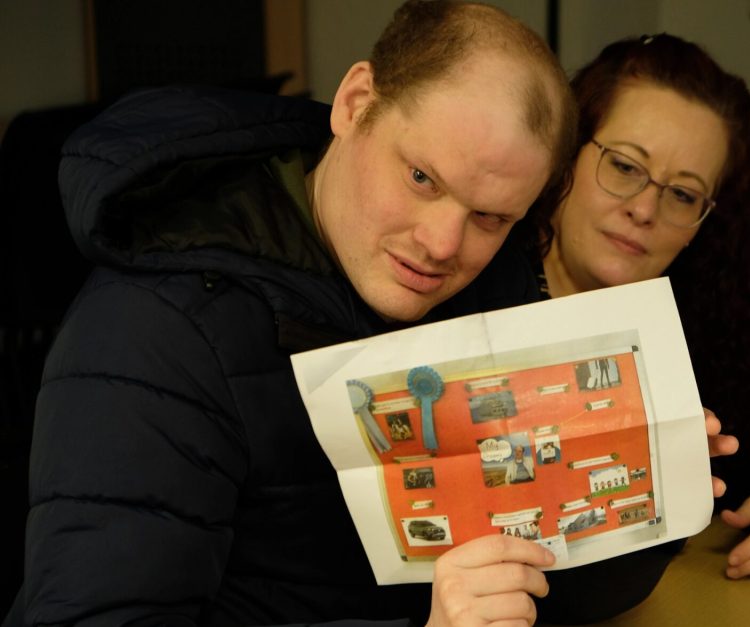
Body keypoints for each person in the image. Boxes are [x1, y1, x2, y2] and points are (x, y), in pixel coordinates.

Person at [5, 2, 577, 626]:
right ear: (355, 103)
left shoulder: (493, 286)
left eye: (490, 217)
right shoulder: (153, 330)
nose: (443, 244)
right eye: (421, 178)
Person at [532, 33, 750, 586]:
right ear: (565, 152)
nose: (645, 209)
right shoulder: (470, 280)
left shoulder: (706, 308)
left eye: (682, 194)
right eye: (625, 166)